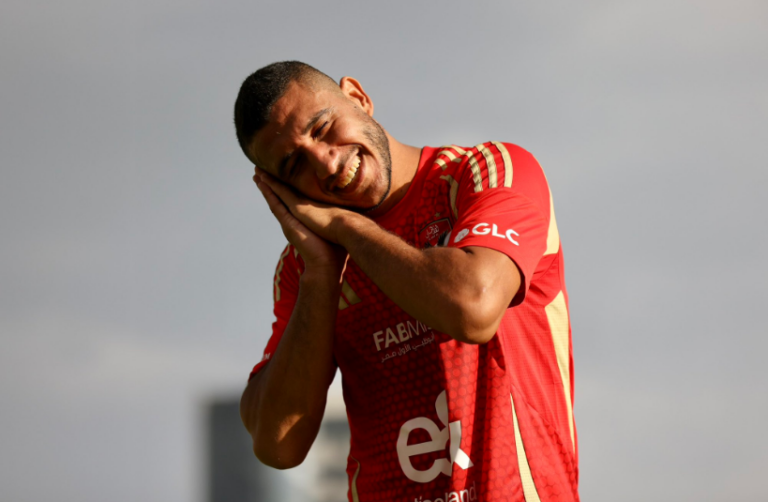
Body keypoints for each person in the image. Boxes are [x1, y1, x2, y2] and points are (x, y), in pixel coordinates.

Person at [234, 61, 579, 502]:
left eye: (322, 128)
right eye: (295, 164)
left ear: (357, 97)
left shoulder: (485, 171)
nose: (327, 163)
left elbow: (472, 308)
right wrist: (322, 274)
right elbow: (277, 445)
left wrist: (348, 229)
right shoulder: (304, 267)